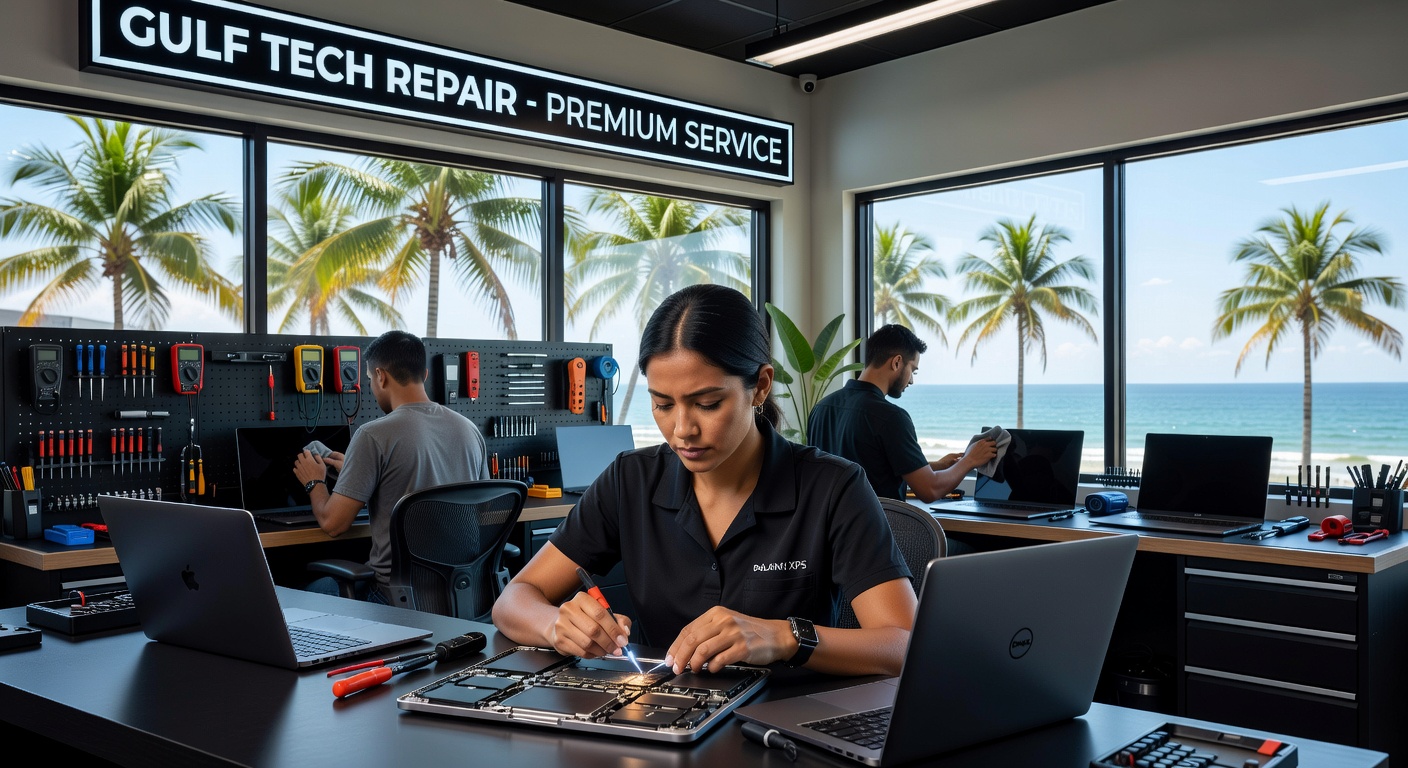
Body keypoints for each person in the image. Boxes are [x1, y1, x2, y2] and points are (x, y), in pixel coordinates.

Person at [492, 285, 916, 677]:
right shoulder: (630, 480)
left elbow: (902, 643)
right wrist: (557, 625)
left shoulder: (833, 487)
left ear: (760, 387)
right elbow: (514, 599)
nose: (682, 430)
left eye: (708, 404)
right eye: (662, 404)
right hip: (661, 723)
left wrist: (785, 637)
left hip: (784, 729)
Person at [293, 330, 488, 603]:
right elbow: (484, 514)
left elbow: (334, 524)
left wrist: (315, 482)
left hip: (394, 599)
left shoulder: (373, 434)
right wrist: (355, 470)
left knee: (299, 594)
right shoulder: (469, 430)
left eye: (371, 379)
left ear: (381, 376)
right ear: (425, 375)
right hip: (463, 595)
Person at [808, 324, 997, 503]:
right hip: (877, 533)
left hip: (831, 534)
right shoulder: (890, 417)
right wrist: (970, 460)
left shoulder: (821, 409)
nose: (912, 380)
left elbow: (869, 466)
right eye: (913, 369)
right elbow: (930, 490)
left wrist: (936, 467)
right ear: (897, 362)